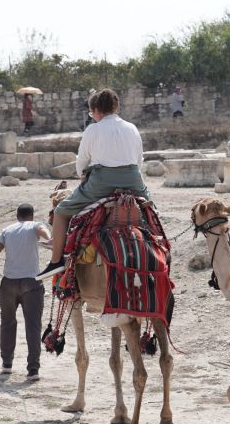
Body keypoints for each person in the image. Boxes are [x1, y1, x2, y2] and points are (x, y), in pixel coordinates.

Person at [35, 88, 150, 281]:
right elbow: (139, 160)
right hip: (133, 179)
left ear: (96, 110)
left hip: (101, 181)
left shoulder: (93, 129)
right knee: (150, 210)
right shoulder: (132, 128)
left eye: (92, 113)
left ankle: (56, 262)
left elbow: (82, 160)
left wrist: (82, 177)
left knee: (61, 211)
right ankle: (159, 249)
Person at [0, 203, 51, 380]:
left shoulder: (7, 230)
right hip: (31, 283)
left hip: (8, 283)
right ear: (31, 215)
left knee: (7, 323)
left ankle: (7, 365)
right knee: (33, 325)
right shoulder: (35, 225)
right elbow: (42, 231)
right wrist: (48, 239)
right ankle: (33, 370)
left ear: (17, 216)